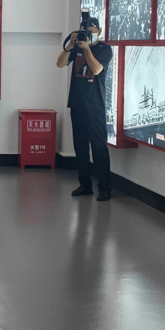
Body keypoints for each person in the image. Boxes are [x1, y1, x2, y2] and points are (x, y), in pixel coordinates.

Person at [56, 15, 112, 201]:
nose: (87, 32)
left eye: (91, 29)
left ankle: (104, 188)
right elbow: (60, 63)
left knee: (98, 147)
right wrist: (70, 46)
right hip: (77, 104)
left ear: (99, 31)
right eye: (84, 29)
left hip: (95, 106)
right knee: (80, 147)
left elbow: (96, 70)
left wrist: (87, 48)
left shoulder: (105, 49)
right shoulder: (76, 47)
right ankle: (84, 185)